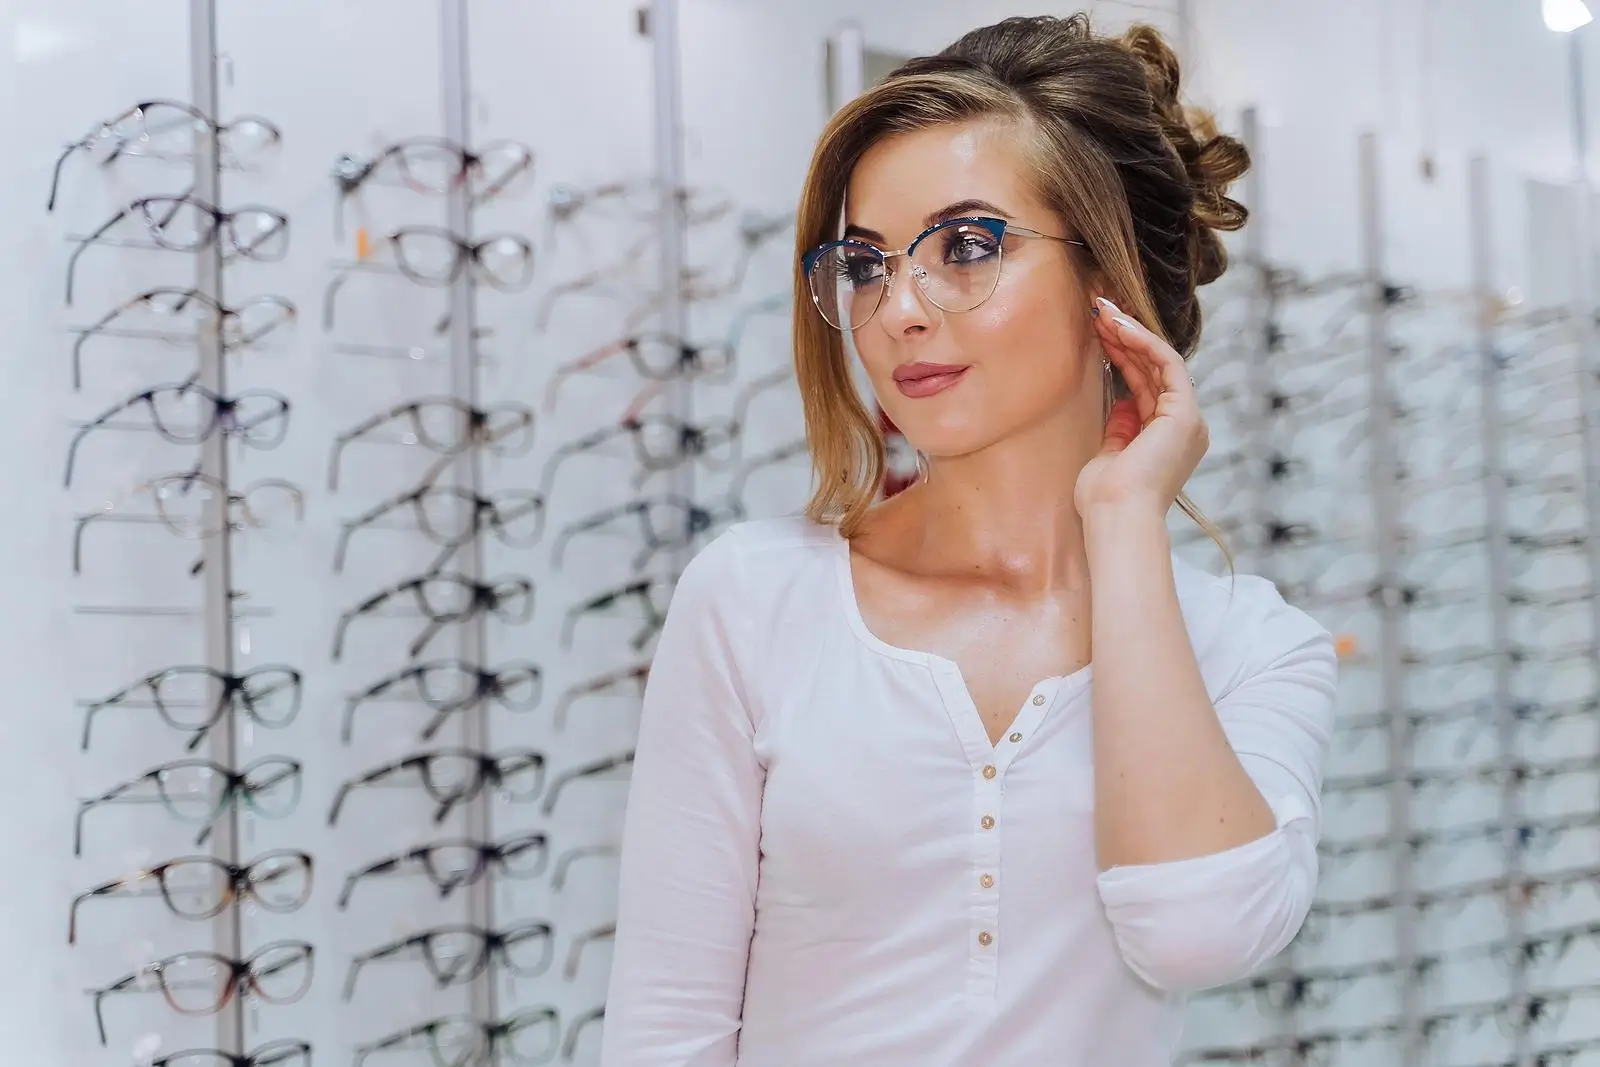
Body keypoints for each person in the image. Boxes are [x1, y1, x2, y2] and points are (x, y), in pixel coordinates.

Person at [599, 14, 1337, 1066]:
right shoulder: (752, 598)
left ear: (1109, 282)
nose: (898, 308)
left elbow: (1195, 933)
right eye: (865, 263)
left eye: (969, 247)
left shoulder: (1254, 646)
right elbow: (665, 1029)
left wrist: (1124, 521)